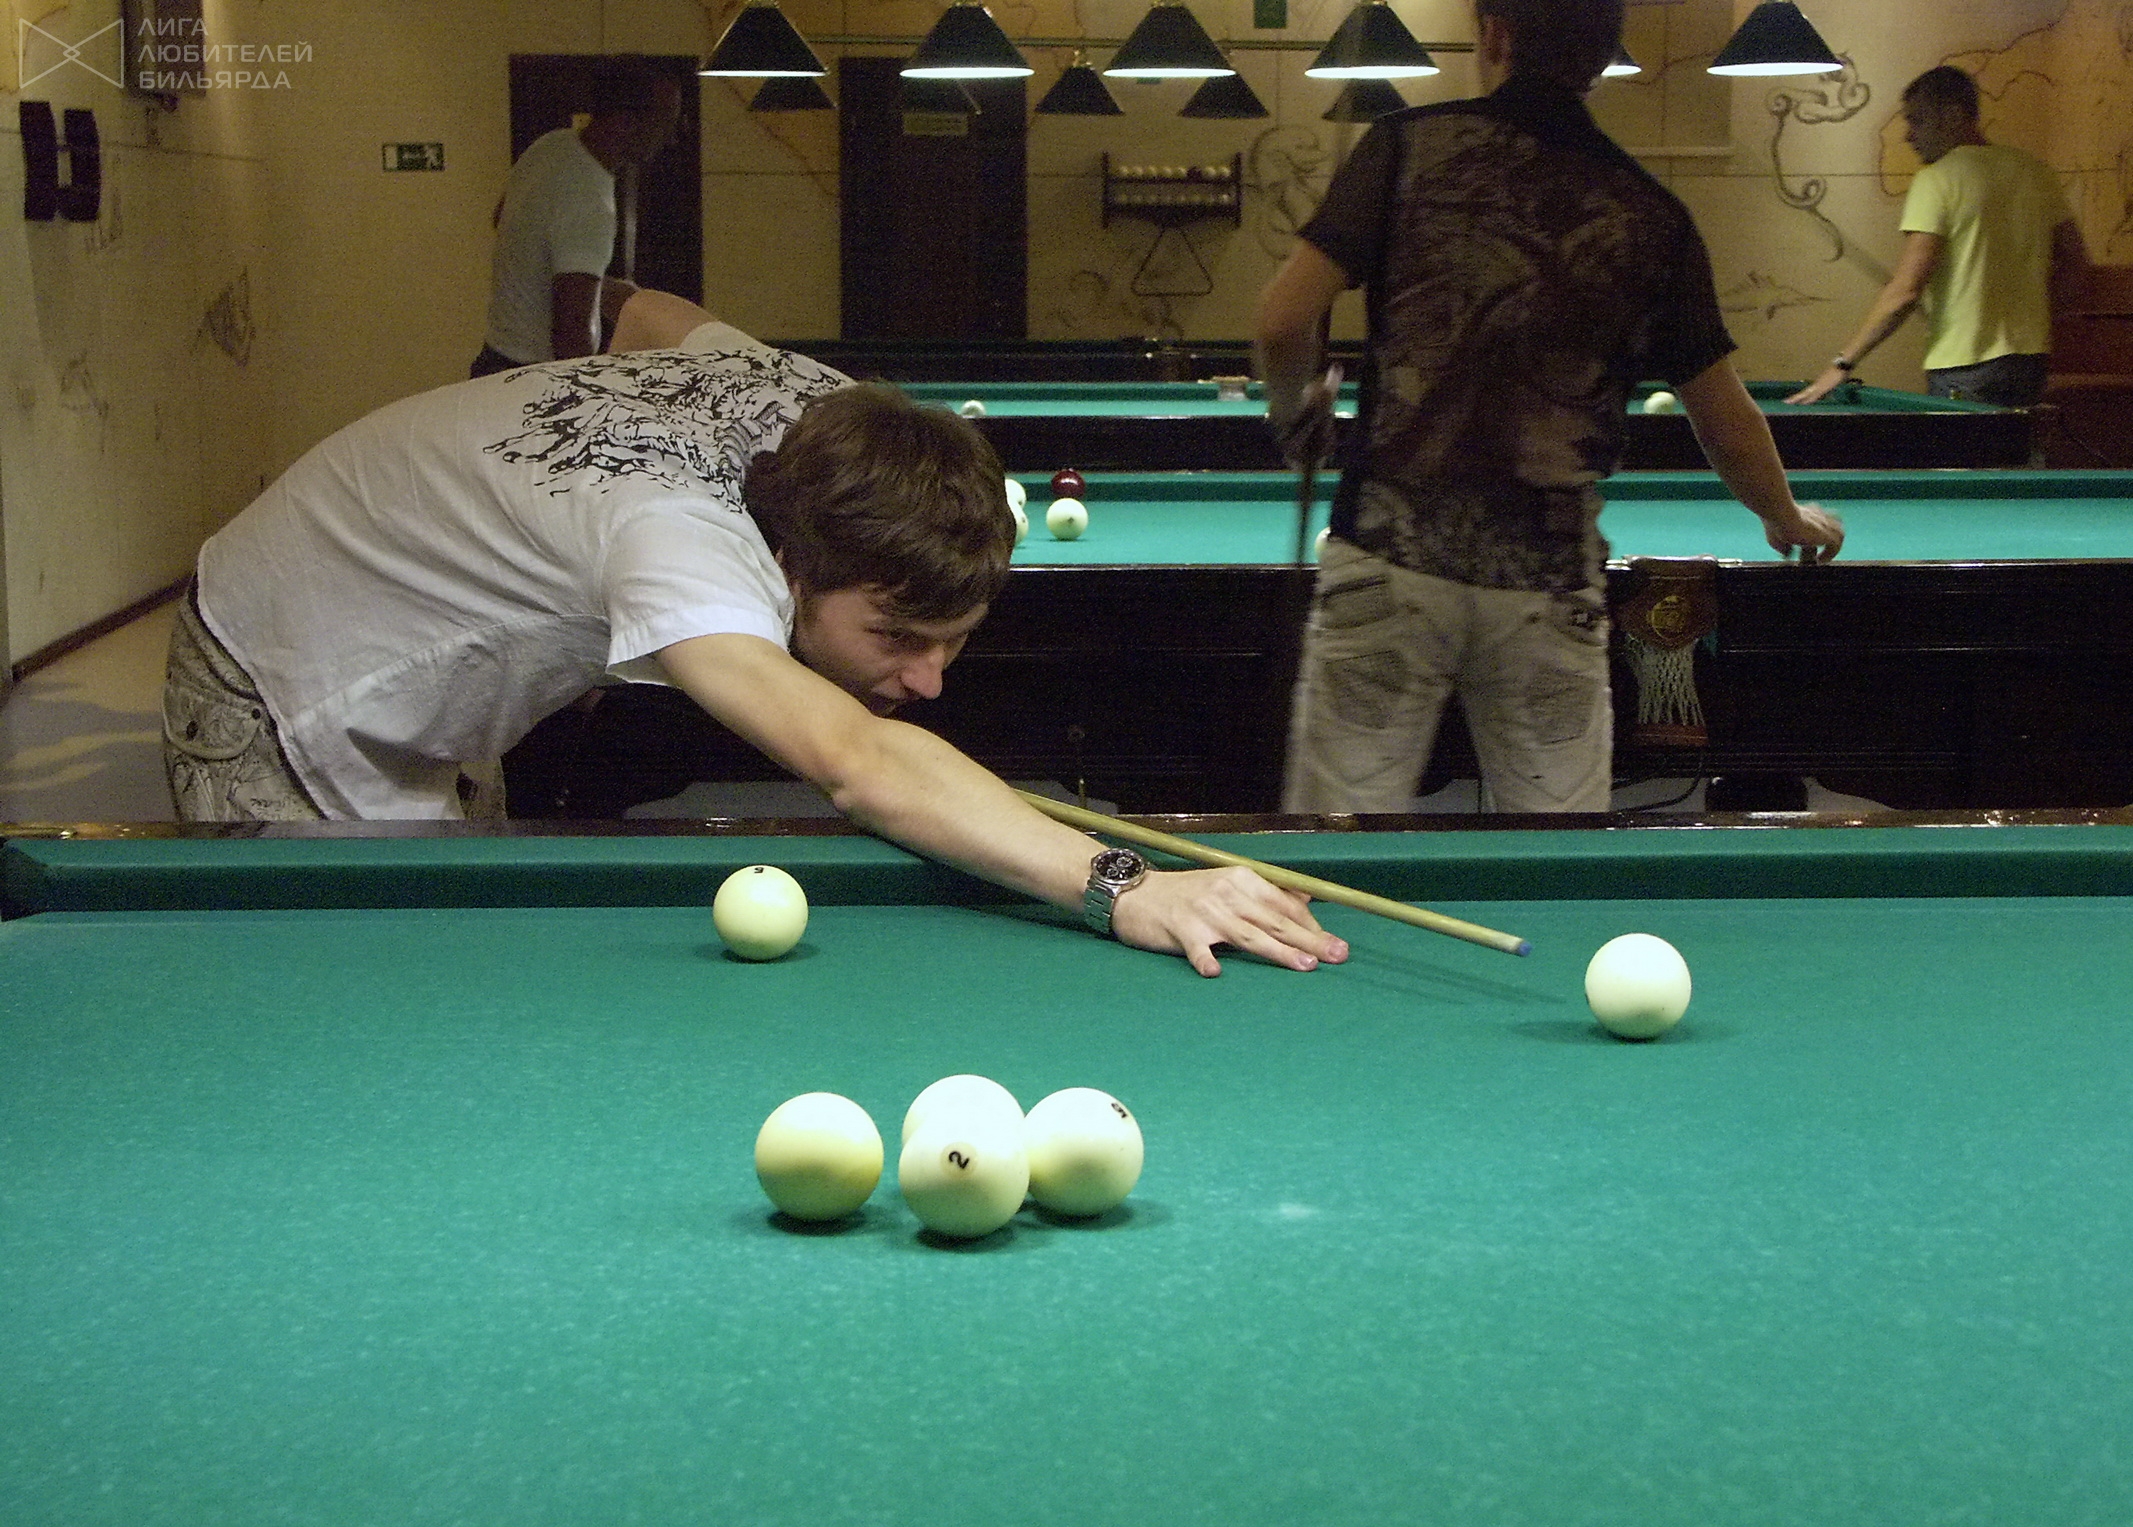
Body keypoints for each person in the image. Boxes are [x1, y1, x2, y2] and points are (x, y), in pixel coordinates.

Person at [163, 301, 1344, 979]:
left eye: (954, 640)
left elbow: (643, 313)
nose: (927, 680)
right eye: (898, 636)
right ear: (791, 568)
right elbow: (857, 765)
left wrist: (529, 527)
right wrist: (1123, 886)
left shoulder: (807, 404)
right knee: (357, 989)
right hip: (277, 663)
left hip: (412, 641)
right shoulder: (685, 546)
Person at [1255, 0, 1843, 816]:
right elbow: (1721, 413)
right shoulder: (1651, 214)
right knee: (1557, 846)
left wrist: (1295, 417)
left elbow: (1282, 322)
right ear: (1602, 58)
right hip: (1546, 584)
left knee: (1337, 847)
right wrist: (1782, 515)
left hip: (1387, 560)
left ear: (1494, 33)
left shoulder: (1405, 145)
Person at [1788, 65, 2091, 409]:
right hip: (2029, 364)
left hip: (1964, 368)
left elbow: (1905, 291)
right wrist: (2035, 320)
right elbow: (2076, 265)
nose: (1909, 135)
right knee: (2013, 445)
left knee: (1957, 448)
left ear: (1953, 116)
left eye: (1917, 121)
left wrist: (1841, 364)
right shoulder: (2034, 172)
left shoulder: (1938, 179)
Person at [470, 59, 684, 380]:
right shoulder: (590, 200)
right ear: (625, 121)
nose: (670, 137)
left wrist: (594, 285)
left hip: (493, 364)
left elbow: (503, 220)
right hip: (533, 379)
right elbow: (571, 339)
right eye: (665, 122)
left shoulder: (550, 146)